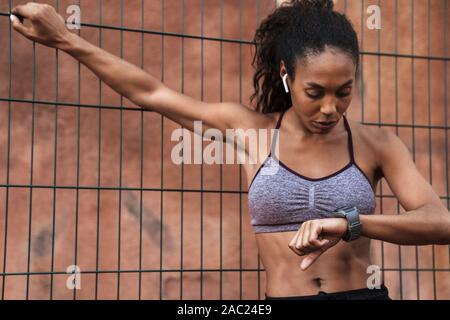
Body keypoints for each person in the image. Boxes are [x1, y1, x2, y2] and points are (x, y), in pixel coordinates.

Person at [10, 0, 450, 300]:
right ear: (286, 76)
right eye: (314, 91)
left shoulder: (377, 144)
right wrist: (67, 39)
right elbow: (150, 92)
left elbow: (439, 222)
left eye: (344, 91)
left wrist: (351, 223)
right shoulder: (247, 129)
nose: (330, 108)